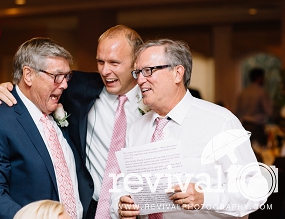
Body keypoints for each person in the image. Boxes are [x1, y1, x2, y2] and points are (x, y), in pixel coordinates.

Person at [0, 25, 144, 218]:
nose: (105, 71)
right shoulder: (77, 86)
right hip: (90, 210)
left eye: (114, 63)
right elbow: (35, 84)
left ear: (137, 63)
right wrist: (2, 89)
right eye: (100, 62)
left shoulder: (156, 97)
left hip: (137, 209)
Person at [114, 39, 266, 219]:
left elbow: (254, 189)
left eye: (148, 71)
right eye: (137, 72)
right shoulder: (136, 128)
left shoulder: (220, 122)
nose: (139, 80)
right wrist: (121, 203)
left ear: (178, 73)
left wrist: (205, 197)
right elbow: (125, 183)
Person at [0, 37, 93, 219]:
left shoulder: (58, 103)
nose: (64, 84)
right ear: (28, 75)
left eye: (67, 76)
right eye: (57, 76)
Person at [236, 68, 273, 146]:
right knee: (259, 153)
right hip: (257, 128)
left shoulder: (243, 92)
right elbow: (269, 112)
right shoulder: (261, 92)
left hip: (244, 126)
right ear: (259, 78)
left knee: (246, 152)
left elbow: (237, 111)